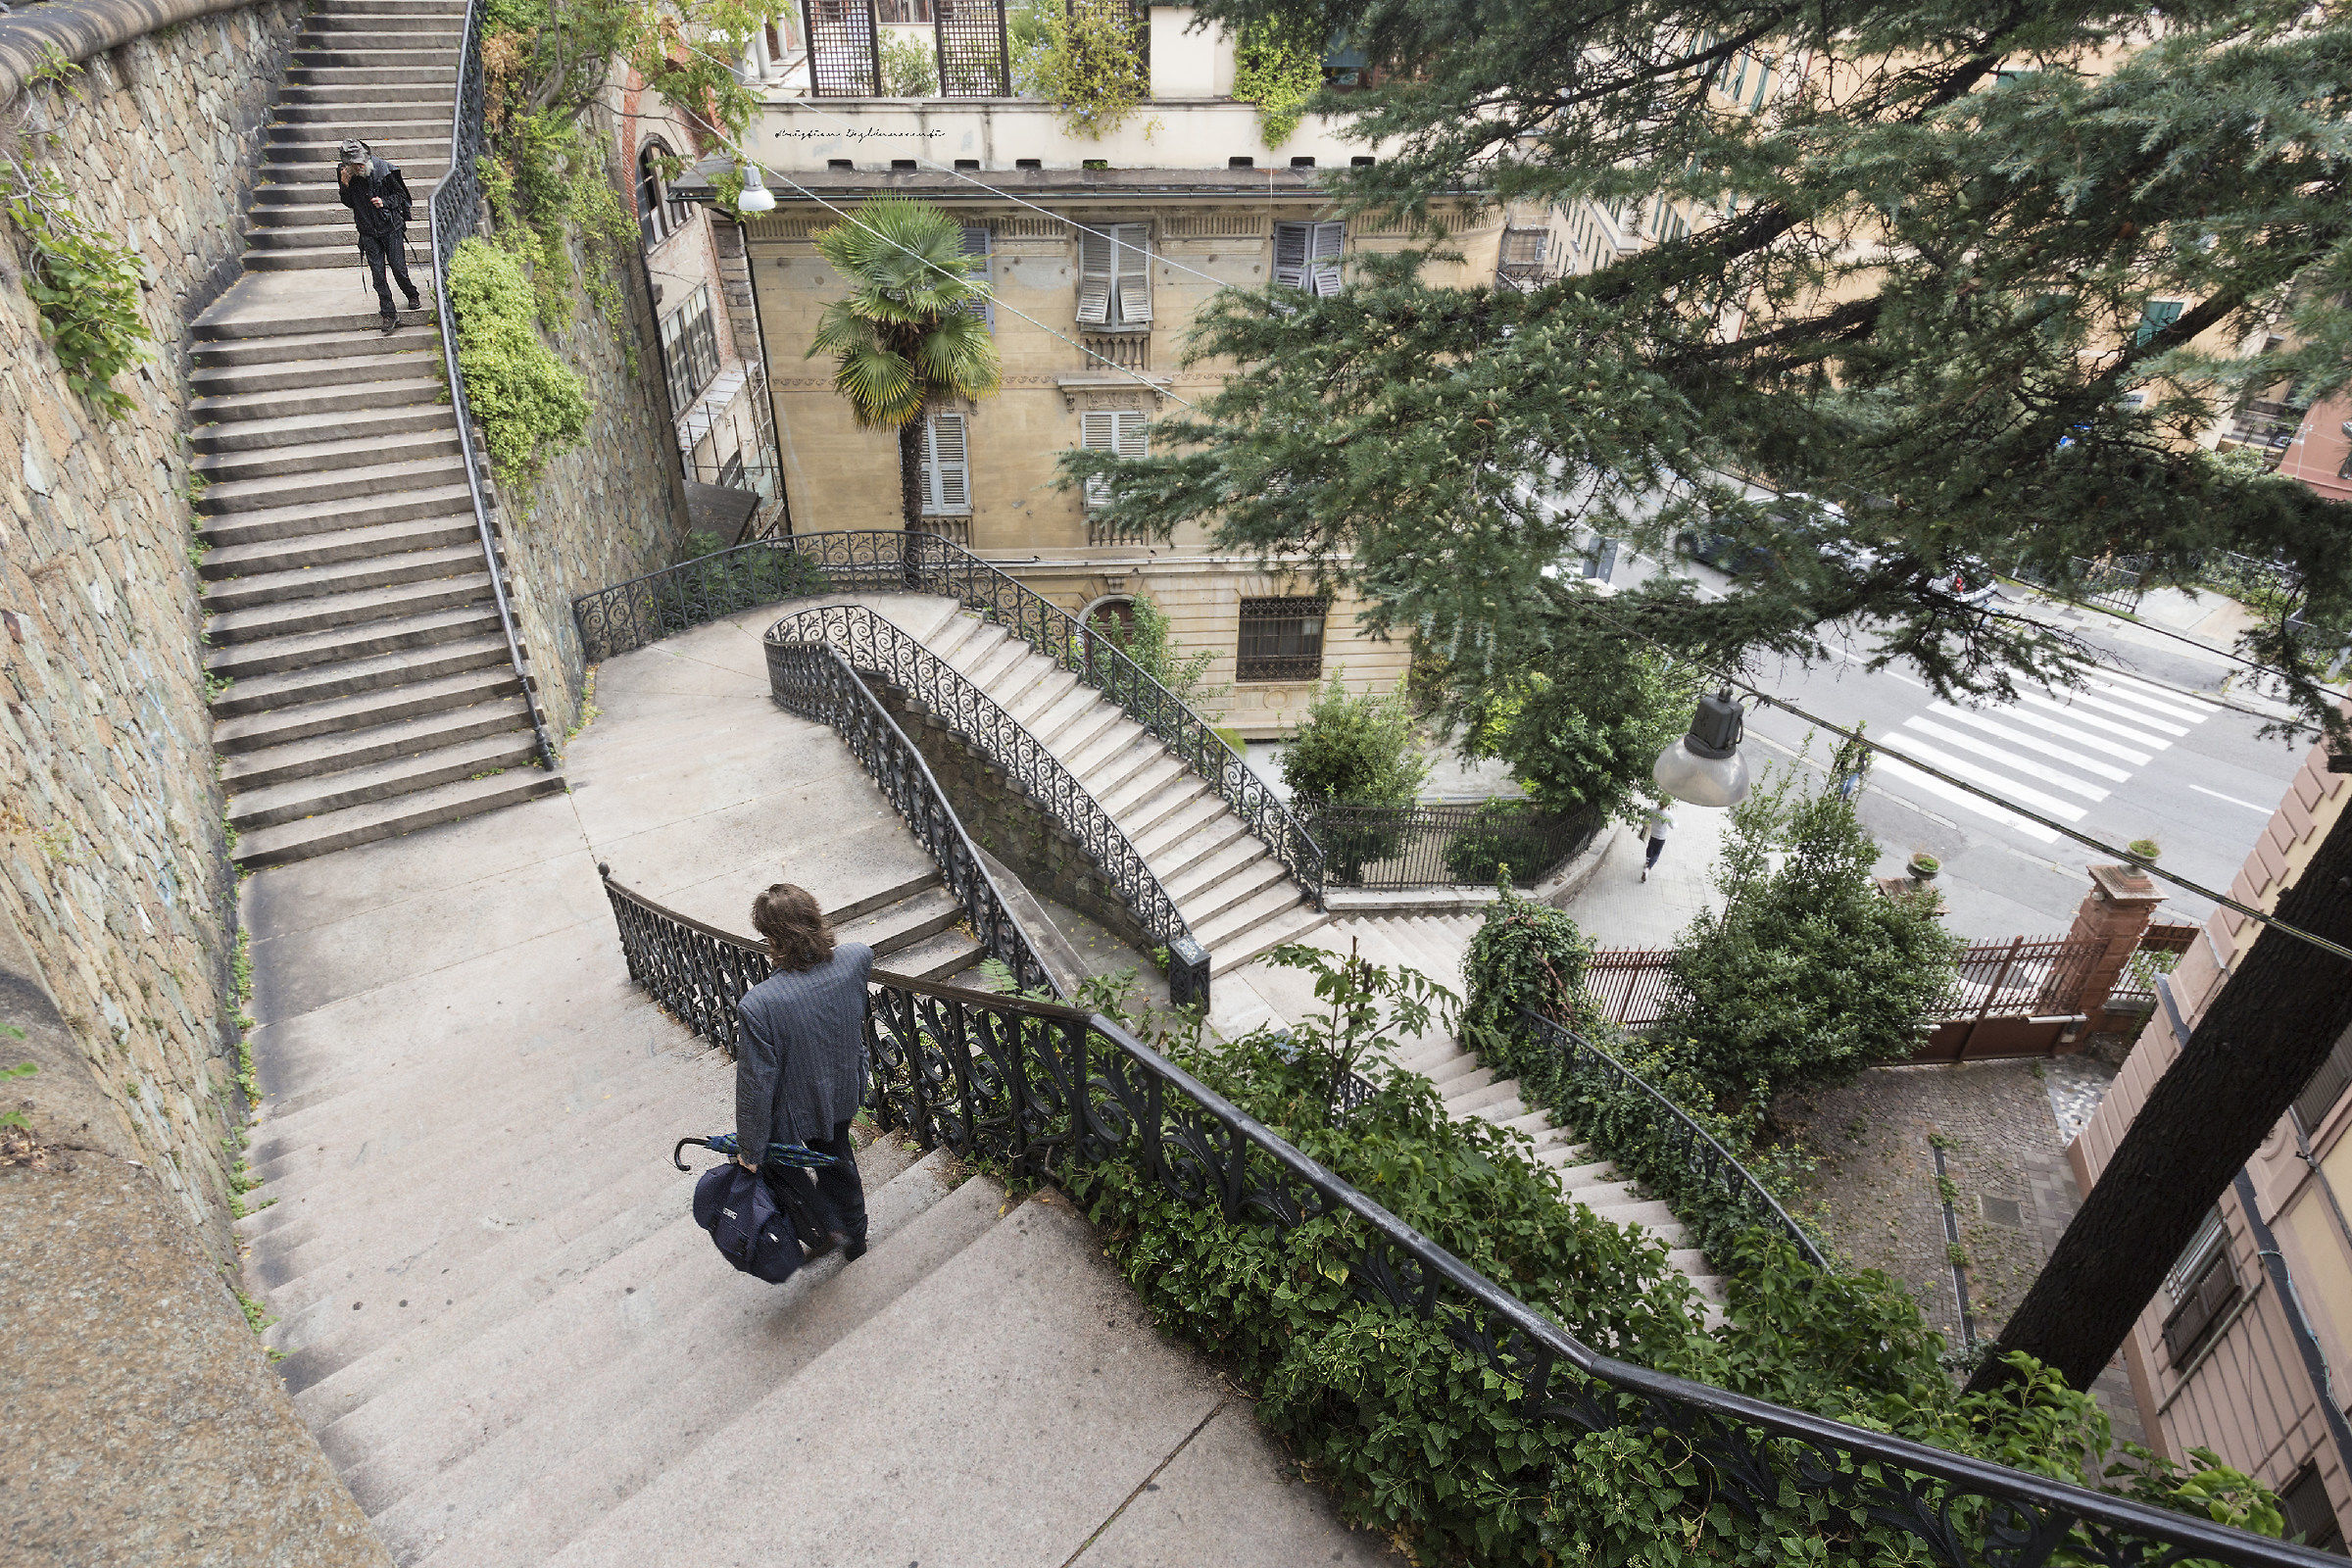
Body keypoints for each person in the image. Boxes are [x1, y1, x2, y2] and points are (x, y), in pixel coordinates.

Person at [733, 883, 873, 1261]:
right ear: (815, 915)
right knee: (838, 1156)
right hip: (844, 1089)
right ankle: (855, 1237)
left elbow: (755, 1086)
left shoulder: (758, 1006)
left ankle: (825, 1228)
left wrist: (749, 1149)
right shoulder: (857, 959)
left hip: (797, 1109)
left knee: (780, 1162)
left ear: (770, 938)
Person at [336, 139, 421, 333]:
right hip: (367, 230)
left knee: (398, 268)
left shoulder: (384, 169)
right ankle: (388, 314)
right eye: (354, 164)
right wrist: (344, 185)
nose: (359, 167)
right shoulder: (345, 173)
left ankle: (412, 294)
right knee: (377, 275)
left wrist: (384, 202)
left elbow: (403, 197)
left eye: (361, 163)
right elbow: (349, 203)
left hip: (390, 227)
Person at [1640, 804, 1674, 882]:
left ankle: (1647, 862)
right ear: (1668, 804)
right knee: (1656, 853)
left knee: (1650, 848)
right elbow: (1672, 826)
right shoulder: (1668, 814)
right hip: (1661, 837)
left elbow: (1644, 820)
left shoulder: (1652, 809)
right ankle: (1648, 869)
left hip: (1653, 834)